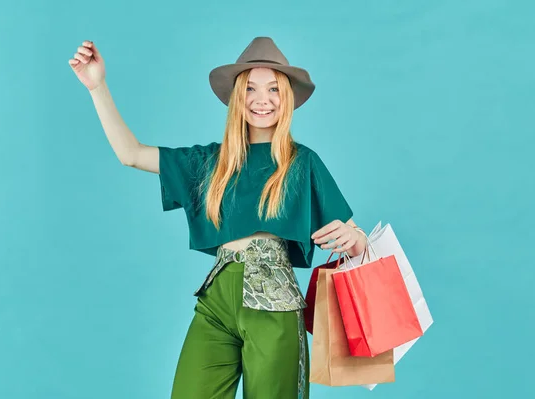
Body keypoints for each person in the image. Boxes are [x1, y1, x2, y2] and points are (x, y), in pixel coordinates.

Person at [69, 36, 368, 399]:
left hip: (272, 304)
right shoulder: (211, 162)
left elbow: (356, 237)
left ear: (286, 98)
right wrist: (97, 87)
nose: (262, 99)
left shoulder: (302, 162)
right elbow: (130, 153)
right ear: (237, 97)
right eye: (251, 89)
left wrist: (355, 239)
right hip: (217, 301)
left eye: (274, 89)